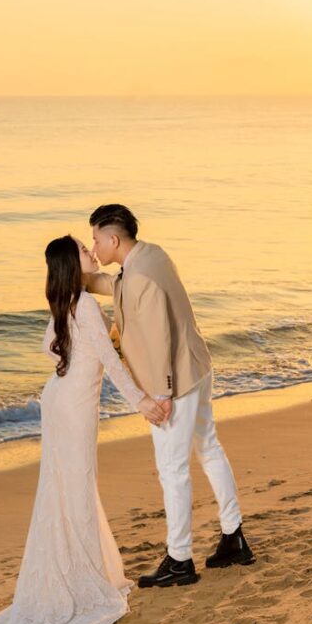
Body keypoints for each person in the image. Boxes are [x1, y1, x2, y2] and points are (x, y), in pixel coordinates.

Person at [0, 235, 167, 624]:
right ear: (74, 263)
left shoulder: (67, 301)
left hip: (57, 400)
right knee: (75, 487)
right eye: (83, 250)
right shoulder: (85, 305)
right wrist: (143, 402)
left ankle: (82, 570)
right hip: (73, 409)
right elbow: (109, 363)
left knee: (66, 488)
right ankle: (80, 581)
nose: (90, 252)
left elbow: (49, 348)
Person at [86, 203, 254, 588]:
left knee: (172, 470)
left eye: (96, 239)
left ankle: (180, 559)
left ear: (113, 239)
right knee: (208, 448)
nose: (94, 247)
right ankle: (234, 538)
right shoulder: (150, 256)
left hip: (174, 382)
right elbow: (124, 290)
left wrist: (160, 394)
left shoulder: (140, 274)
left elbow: (159, 334)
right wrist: (85, 280)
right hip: (195, 368)